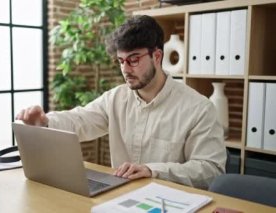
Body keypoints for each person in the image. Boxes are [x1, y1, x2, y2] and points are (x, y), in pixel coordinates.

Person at [16, 15, 226, 189]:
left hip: (170, 202)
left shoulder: (199, 108)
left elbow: (211, 170)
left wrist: (153, 170)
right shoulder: (116, 98)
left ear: (157, 56)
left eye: (134, 59)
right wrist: (44, 122)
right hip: (121, 197)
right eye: (121, 61)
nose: (125, 69)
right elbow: (80, 120)